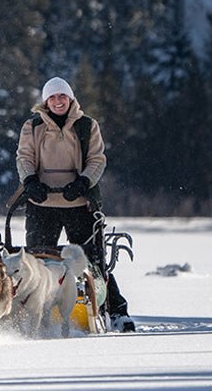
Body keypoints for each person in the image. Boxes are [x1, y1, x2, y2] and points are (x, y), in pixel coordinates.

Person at [16, 76, 135, 332]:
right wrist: (30, 181)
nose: (58, 101)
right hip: (42, 203)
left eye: (62, 96)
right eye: (53, 97)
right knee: (36, 262)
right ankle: (28, 316)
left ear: (70, 99)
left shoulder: (86, 126)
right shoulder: (33, 126)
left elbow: (97, 159)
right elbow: (24, 157)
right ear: (45, 101)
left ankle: (117, 313)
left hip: (80, 204)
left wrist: (83, 182)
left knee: (93, 263)